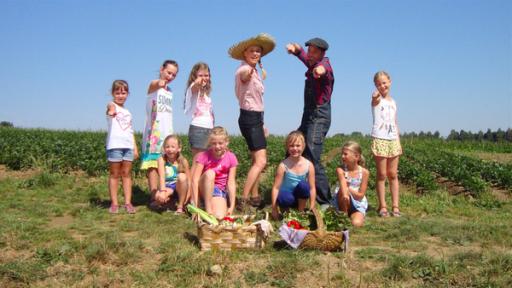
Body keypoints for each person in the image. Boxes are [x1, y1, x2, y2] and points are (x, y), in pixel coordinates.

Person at [228, 33, 275, 209]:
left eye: (258, 51)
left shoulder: (255, 72)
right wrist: (249, 70)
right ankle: (244, 199)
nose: (255, 54)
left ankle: (255, 197)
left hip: (255, 117)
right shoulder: (244, 70)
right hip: (249, 117)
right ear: (244, 54)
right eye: (252, 51)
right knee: (262, 161)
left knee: (257, 159)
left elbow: (256, 100)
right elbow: (244, 75)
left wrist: (262, 123)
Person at [286, 37, 334, 206]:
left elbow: (323, 69)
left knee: (312, 154)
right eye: (310, 51)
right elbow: (304, 58)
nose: (310, 55)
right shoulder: (312, 62)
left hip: (319, 116)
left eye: (314, 52)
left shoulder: (324, 65)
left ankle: (325, 202)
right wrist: (296, 50)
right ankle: (290, 193)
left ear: (322, 53)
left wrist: (319, 71)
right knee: (292, 147)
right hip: (308, 115)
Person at [140, 60, 179, 203]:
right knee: (153, 165)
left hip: (166, 132)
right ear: (162, 69)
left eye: (174, 75)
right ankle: (153, 196)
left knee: (165, 164)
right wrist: (159, 83)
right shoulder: (153, 86)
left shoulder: (170, 91)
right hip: (154, 133)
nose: (170, 76)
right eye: (169, 72)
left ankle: (163, 194)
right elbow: (155, 84)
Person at [371, 71, 402, 217]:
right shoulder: (377, 100)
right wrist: (375, 95)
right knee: (382, 174)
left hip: (393, 139)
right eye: (378, 84)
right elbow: (375, 99)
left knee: (393, 174)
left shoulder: (393, 102)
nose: (382, 86)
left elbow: (395, 122)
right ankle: (382, 206)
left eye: (384, 82)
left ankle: (395, 206)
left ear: (390, 82)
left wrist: (399, 141)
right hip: (380, 139)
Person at [105, 80, 139, 214]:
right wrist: (111, 110)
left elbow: (131, 131)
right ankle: (114, 204)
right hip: (114, 146)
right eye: (117, 92)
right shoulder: (111, 105)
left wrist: (135, 147)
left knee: (127, 174)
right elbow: (109, 108)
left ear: (127, 94)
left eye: (123, 92)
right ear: (112, 93)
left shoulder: (128, 112)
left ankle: (128, 203)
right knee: (114, 174)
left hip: (128, 146)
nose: (120, 95)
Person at [183, 62, 214, 202]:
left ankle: (197, 196)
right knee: (197, 165)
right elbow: (195, 85)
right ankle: (191, 199)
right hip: (198, 129)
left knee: (203, 165)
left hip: (208, 129)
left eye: (206, 75)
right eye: (200, 74)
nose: (204, 78)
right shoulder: (193, 88)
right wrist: (198, 81)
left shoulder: (206, 93)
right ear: (194, 76)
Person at [191, 126, 238, 219]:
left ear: (226, 142)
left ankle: (210, 207)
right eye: (214, 143)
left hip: (218, 191)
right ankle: (208, 210)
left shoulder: (231, 157)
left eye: (220, 143)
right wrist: (196, 206)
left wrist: (232, 206)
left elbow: (231, 183)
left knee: (219, 217)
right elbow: (194, 180)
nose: (217, 146)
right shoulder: (204, 156)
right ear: (210, 143)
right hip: (203, 187)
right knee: (210, 173)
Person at [271, 131, 316, 220]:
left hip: (300, 198)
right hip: (287, 196)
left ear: (303, 146)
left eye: (298, 145)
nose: (295, 148)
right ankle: (286, 211)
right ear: (287, 147)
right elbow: (276, 188)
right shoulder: (283, 165)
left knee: (304, 185)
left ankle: (300, 212)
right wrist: (274, 208)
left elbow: (312, 188)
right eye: (291, 146)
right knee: (285, 197)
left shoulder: (309, 165)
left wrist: (312, 205)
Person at [333, 141, 369, 227]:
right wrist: (345, 192)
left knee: (356, 224)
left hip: (357, 203)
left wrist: (348, 189)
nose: (342, 156)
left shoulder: (364, 172)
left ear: (356, 156)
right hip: (341, 200)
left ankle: (351, 215)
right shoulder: (340, 170)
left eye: (345, 154)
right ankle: (343, 216)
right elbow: (343, 184)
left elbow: (360, 195)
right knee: (343, 191)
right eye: (342, 154)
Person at [155, 135, 190, 214]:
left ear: (179, 148)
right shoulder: (161, 160)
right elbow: (161, 177)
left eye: (173, 147)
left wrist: (189, 195)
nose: (170, 150)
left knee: (182, 176)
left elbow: (189, 180)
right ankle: (170, 202)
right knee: (158, 197)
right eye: (167, 147)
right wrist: (163, 191)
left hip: (180, 187)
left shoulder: (183, 161)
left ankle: (180, 206)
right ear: (164, 148)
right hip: (168, 186)